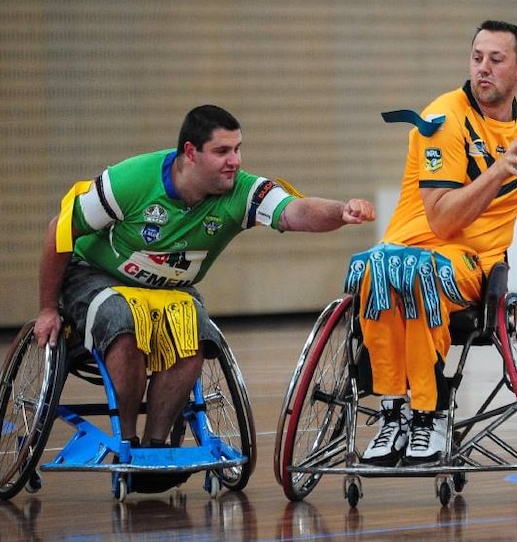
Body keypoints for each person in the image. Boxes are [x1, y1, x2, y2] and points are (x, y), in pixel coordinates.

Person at [34, 104, 376, 453]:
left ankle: (155, 448)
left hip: (169, 289)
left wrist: (341, 211)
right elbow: (58, 230)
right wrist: (48, 308)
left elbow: (295, 211)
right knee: (123, 320)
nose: (235, 161)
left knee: (194, 331)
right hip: (97, 275)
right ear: (190, 153)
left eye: (238, 149)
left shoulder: (240, 192)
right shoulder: (132, 180)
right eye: (222, 151)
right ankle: (127, 440)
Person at [345, 21, 517, 467]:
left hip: (473, 264)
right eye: (477, 57)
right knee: (373, 267)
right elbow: (441, 219)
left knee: (420, 273)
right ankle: (393, 410)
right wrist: (499, 170)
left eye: (496, 60)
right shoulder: (442, 118)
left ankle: (429, 412)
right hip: (409, 248)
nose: (483, 68)